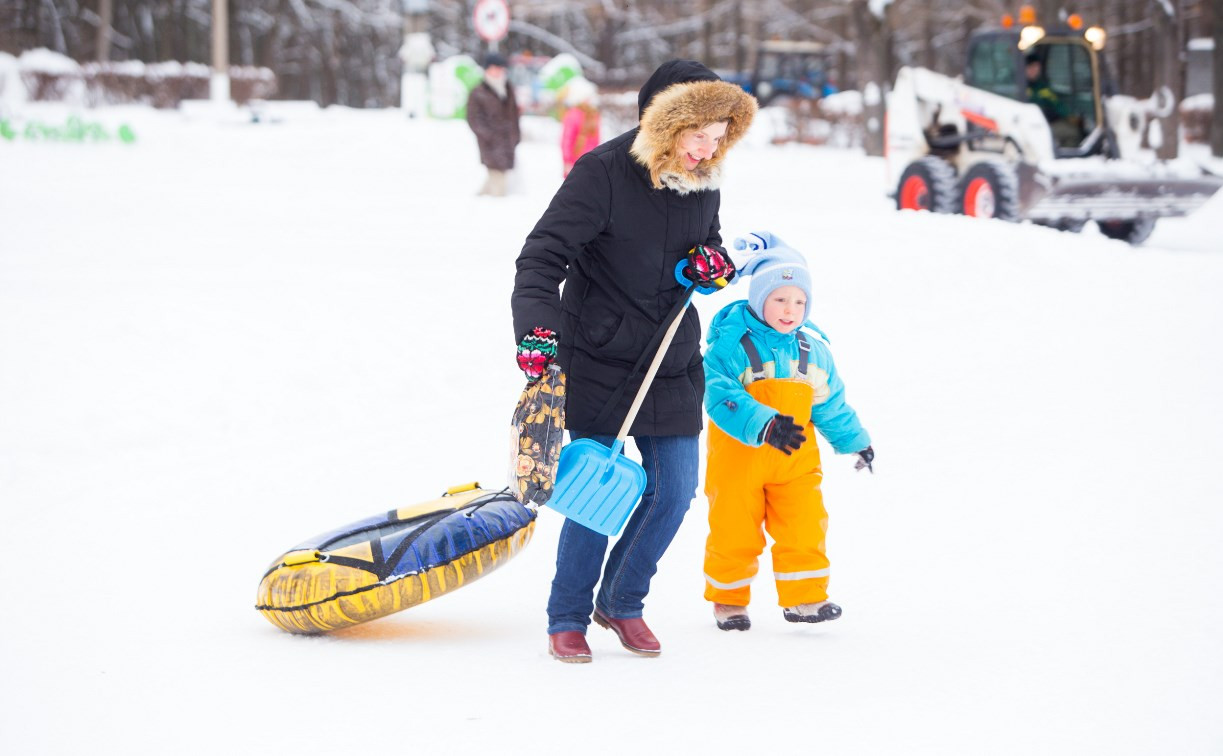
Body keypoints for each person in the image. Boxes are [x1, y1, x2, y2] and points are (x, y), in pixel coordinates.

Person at [511, 60, 757, 663]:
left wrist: (713, 264)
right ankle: (567, 615)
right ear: (664, 124)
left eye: (721, 133)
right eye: (699, 133)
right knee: (601, 489)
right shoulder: (602, 174)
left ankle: (621, 600)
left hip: (669, 354)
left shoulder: (706, 175)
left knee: (673, 490)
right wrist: (537, 333)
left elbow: (710, 241)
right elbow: (542, 257)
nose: (710, 146)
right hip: (600, 351)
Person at [701, 232, 873, 632]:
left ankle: (806, 598)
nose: (790, 309)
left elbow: (830, 404)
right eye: (780, 299)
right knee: (734, 529)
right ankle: (728, 600)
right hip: (738, 460)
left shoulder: (813, 351)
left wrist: (856, 441)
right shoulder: (731, 345)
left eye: (799, 301)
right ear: (759, 298)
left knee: (805, 523)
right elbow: (717, 392)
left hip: (794, 460)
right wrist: (764, 423)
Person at [466, 52, 521, 196]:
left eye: (501, 68)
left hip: (507, 141)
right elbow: (474, 119)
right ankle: (493, 209)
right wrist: (488, 136)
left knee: (497, 178)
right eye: (495, 67)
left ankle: (481, 200)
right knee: (498, 180)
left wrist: (515, 135)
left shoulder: (508, 89)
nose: (499, 71)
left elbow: (514, 115)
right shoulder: (478, 92)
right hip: (490, 144)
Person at [559, 77, 601, 178]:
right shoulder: (578, 115)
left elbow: (596, 139)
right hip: (581, 162)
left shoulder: (591, 115)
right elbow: (567, 139)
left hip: (585, 162)